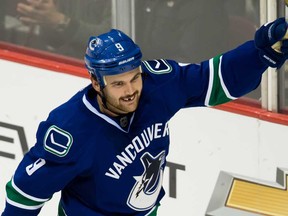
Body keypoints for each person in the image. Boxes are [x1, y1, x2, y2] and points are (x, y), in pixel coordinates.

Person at [2, 17, 288, 216]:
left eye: (134, 79)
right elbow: (25, 195)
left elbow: (212, 79)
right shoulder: (70, 131)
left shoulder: (157, 84)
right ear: (95, 82)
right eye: (117, 84)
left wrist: (258, 53)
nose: (130, 91)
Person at [1, 0, 111, 59]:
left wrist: (62, 22)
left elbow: (112, 40)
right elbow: (53, 41)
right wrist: (44, 17)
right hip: (54, 60)